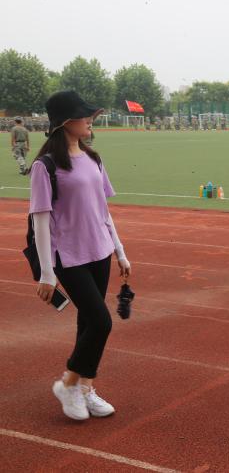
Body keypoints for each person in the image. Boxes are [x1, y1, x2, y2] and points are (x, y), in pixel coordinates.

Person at [29, 90, 132, 420]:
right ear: (63, 123)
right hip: (69, 257)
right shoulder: (45, 167)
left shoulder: (94, 159)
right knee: (101, 322)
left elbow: (104, 211)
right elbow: (41, 220)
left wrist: (120, 250)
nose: (90, 119)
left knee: (87, 321)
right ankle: (69, 382)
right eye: (84, 115)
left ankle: (84, 388)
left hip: (99, 250)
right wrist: (46, 272)